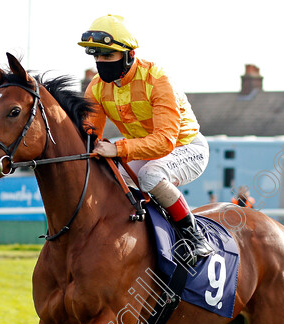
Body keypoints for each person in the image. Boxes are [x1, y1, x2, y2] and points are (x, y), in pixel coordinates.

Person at [78, 14, 212, 265]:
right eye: (96, 56)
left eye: (107, 56)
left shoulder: (158, 79)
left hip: (186, 147)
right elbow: (91, 135)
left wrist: (117, 148)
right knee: (111, 176)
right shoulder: (96, 87)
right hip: (146, 152)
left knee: (150, 176)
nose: (100, 62)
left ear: (129, 54)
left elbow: (164, 141)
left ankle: (195, 237)